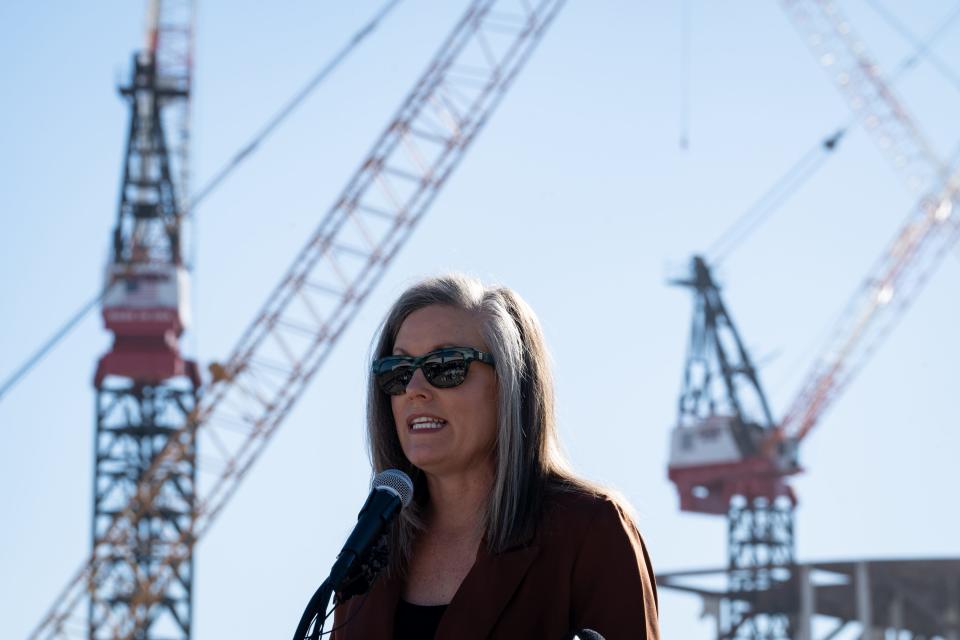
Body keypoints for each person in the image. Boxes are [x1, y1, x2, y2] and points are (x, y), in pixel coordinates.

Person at [331, 274, 659, 639]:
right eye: (398, 371)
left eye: (446, 366)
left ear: (510, 385)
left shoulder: (589, 529)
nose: (414, 389)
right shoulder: (369, 550)